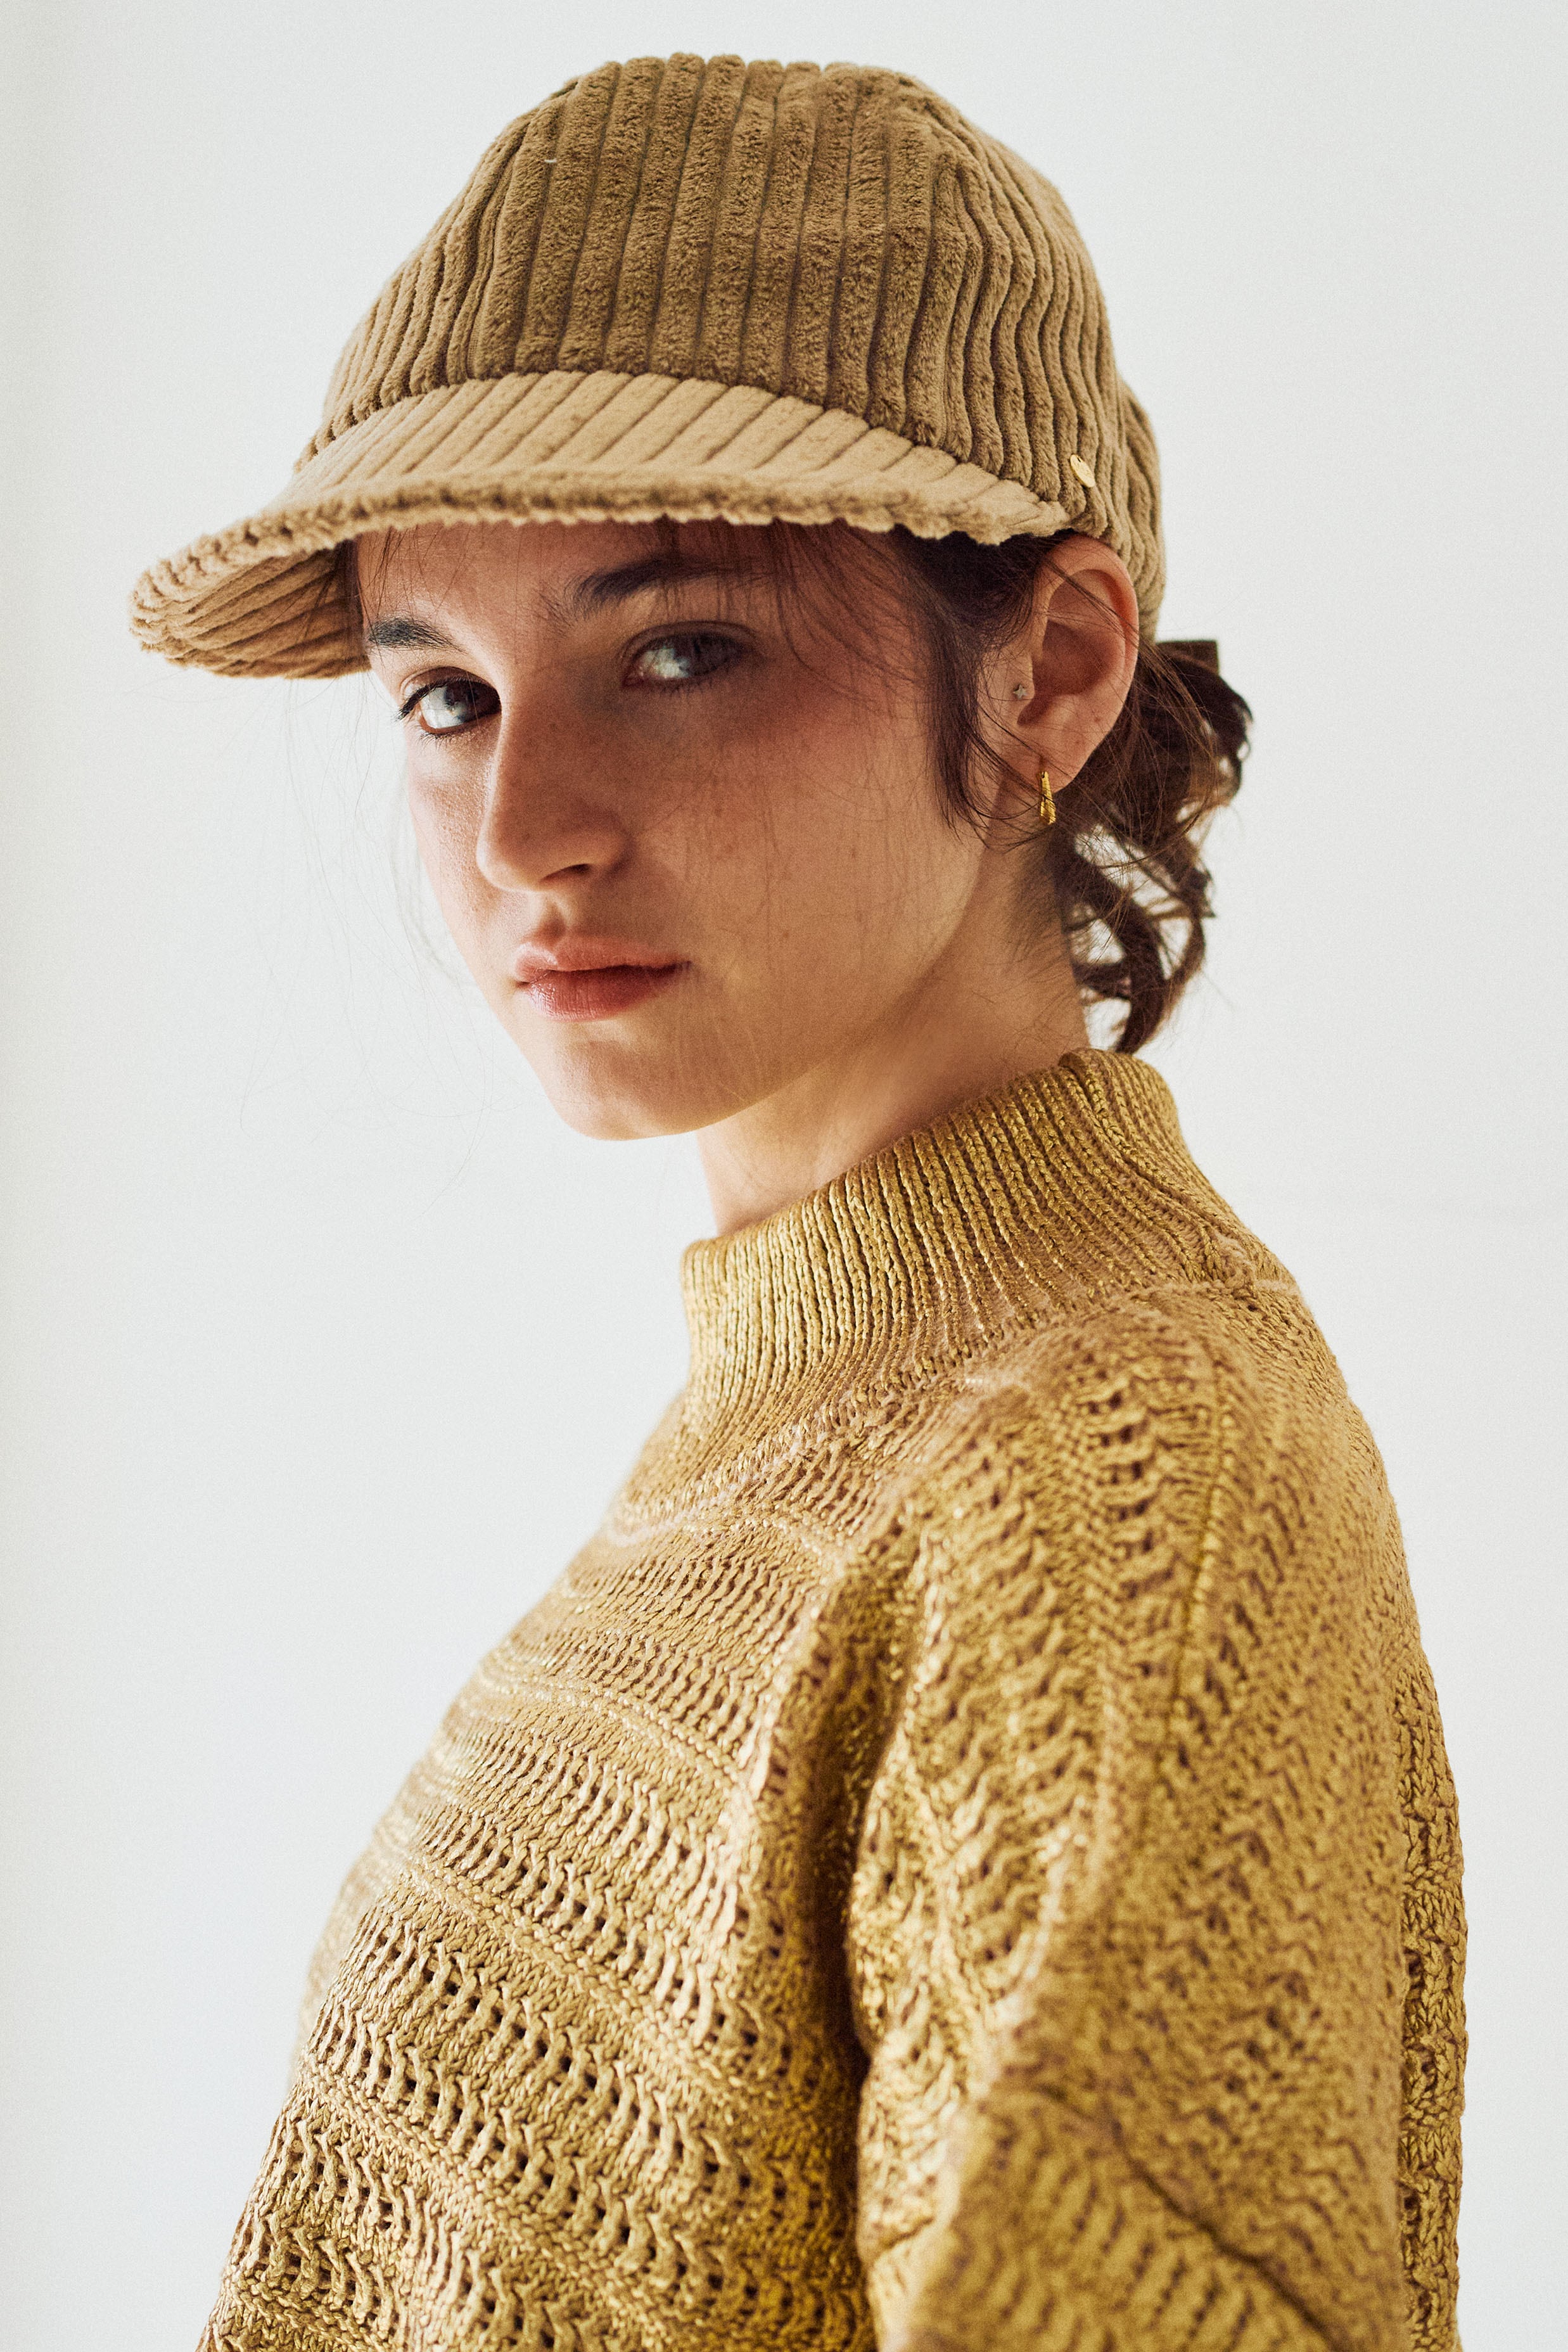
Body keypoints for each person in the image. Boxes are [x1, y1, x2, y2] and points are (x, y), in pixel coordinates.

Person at [132, 54, 1465, 2352]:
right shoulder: (827, 1411)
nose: (523, 829)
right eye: (442, 697)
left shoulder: (1109, 1468)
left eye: (678, 651)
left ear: (1050, 671)